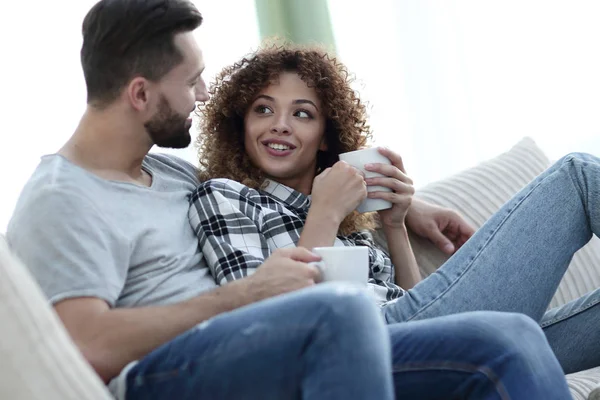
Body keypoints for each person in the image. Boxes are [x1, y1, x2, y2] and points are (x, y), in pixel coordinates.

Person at [5, 1, 573, 399]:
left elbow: (268, 187)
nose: (204, 94)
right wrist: (241, 297)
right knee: (341, 306)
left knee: (509, 337)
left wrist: (405, 209)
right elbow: (83, 344)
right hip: (172, 370)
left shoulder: (167, 172)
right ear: (139, 93)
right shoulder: (61, 200)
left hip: (265, 341)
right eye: (193, 80)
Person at [191, 42, 600, 376]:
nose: (280, 124)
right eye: (263, 109)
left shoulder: (351, 224)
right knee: (577, 178)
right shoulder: (224, 196)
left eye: (302, 113)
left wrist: (395, 224)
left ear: (324, 138)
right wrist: (324, 214)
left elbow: (411, 303)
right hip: (357, 348)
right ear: (239, 126)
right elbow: (270, 322)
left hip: (409, 339)